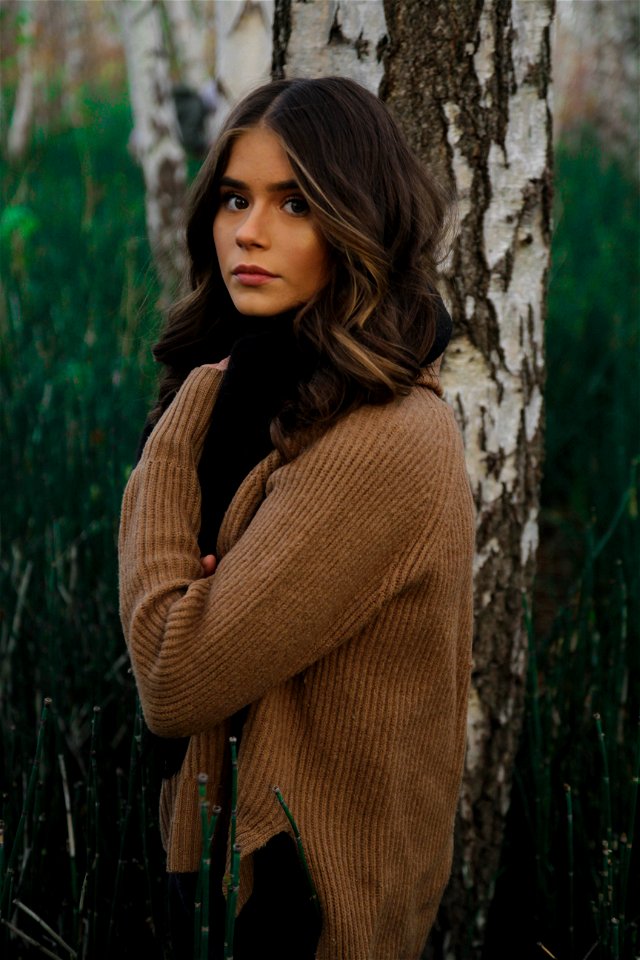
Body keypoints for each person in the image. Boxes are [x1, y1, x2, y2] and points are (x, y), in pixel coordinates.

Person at [118, 76, 475, 960]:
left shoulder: (382, 440)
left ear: (359, 226)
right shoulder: (274, 397)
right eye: (235, 198)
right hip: (240, 882)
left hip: (309, 914)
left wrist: (173, 440)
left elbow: (174, 674)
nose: (249, 231)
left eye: (295, 204)